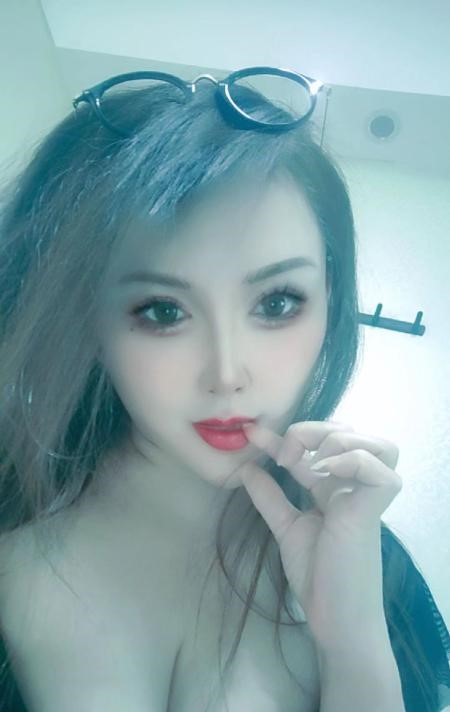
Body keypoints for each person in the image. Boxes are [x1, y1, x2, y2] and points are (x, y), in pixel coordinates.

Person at [0, 67, 448, 712]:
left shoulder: (361, 556)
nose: (228, 372)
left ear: (330, 299)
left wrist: (352, 637)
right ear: (88, 321)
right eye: (162, 311)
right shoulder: (16, 557)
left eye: (277, 302)